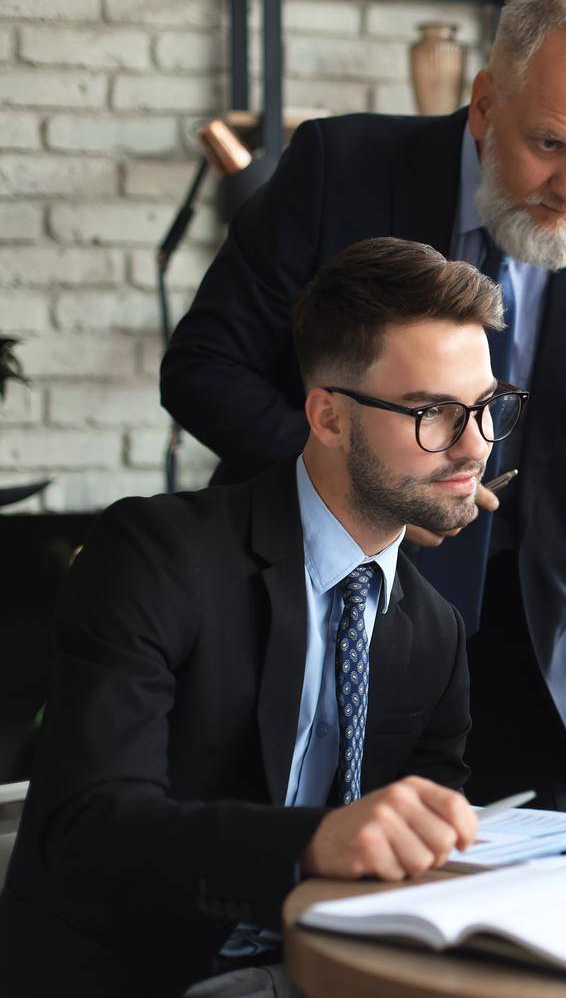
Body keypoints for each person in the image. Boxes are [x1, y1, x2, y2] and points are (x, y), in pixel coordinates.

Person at [160, 0, 566, 810]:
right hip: (306, 607)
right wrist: (364, 488)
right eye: (549, 144)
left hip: (513, 664)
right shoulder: (335, 171)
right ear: (485, 104)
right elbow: (203, 366)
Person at [0, 238, 510, 997]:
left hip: (331, 971)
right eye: (432, 412)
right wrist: (312, 843)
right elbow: (89, 824)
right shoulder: (156, 555)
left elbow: (423, 844)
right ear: (328, 417)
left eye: (487, 406)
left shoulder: (432, 629)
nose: (475, 444)